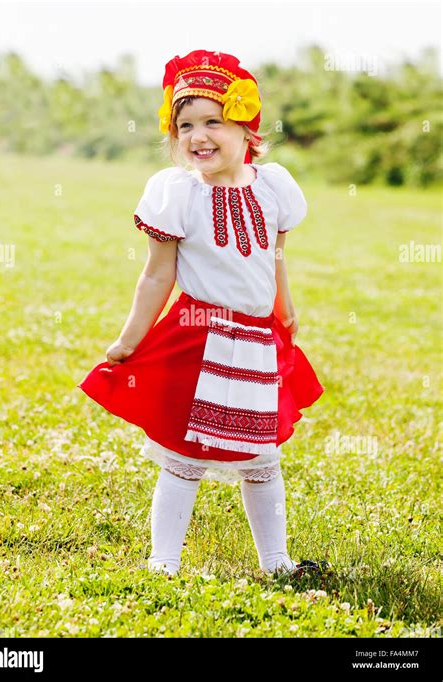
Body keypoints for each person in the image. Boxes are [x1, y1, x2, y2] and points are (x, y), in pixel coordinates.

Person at [77, 49, 327, 578]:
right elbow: (157, 275)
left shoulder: (273, 187)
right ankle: (164, 561)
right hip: (199, 338)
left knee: (262, 461)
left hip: (257, 340)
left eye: (213, 121)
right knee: (183, 456)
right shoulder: (178, 195)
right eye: (185, 124)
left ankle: (276, 561)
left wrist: (286, 307)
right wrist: (128, 341)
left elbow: (276, 256)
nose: (198, 135)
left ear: (246, 130)